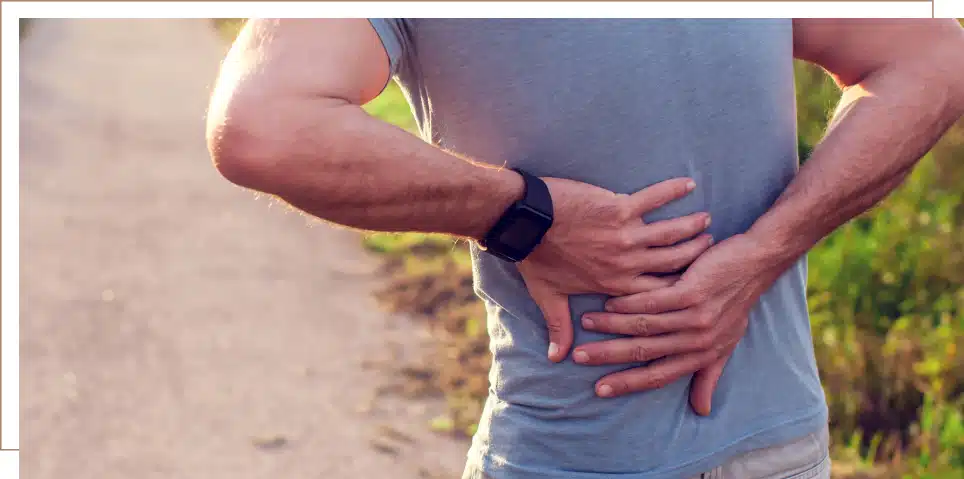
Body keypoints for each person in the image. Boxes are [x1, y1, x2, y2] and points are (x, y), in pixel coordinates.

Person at [205, 18, 964, 479]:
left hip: (782, 450)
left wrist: (764, 253)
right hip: (574, 454)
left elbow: (934, 58)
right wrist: (524, 212)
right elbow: (262, 125)